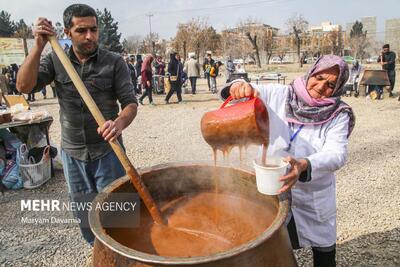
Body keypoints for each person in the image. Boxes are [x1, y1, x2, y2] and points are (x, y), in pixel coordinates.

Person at [16, 4, 138, 245]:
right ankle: (97, 251)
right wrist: (38, 47)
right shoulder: (55, 60)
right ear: (67, 32)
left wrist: (119, 123)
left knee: (118, 213)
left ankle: (121, 252)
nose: (90, 36)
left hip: (109, 151)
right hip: (73, 153)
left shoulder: (113, 62)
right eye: (81, 30)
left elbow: (131, 104)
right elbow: (23, 87)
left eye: (93, 29)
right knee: (85, 213)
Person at [220, 55, 355, 267]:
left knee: (324, 250)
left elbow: (337, 153)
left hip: (313, 193)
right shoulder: (282, 94)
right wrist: (239, 85)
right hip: (273, 186)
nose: (320, 87)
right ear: (311, 73)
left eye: (330, 85)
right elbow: (249, 89)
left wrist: (305, 164)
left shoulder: (338, 114)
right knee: (274, 244)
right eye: (318, 77)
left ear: (337, 88)